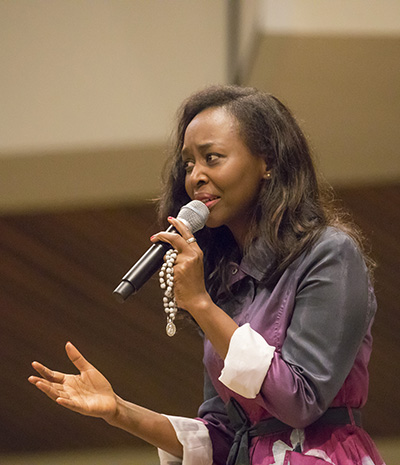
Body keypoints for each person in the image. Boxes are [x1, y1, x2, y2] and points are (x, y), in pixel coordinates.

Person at [29, 85, 385, 465]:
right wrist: (118, 411)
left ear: (268, 162)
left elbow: (300, 402)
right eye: (188, 165)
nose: (195, 177)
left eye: (212, 158)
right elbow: (221, 434)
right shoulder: (225, 282)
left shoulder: (328, 253)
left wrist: (199, 303)